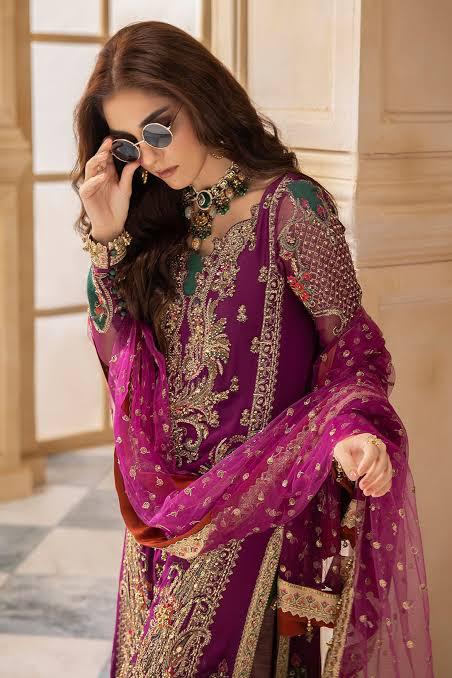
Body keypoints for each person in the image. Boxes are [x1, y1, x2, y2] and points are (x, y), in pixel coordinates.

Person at [71, 20, 433, 678]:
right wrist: (105, 238)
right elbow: (120, 358)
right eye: (129, 144)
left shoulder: (290, 209)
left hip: (252, 508)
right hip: (159, 516)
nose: (150, 157)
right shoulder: (155, 217)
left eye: (160, 129)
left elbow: (352, 352)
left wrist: (349, 431)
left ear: (200, 96)